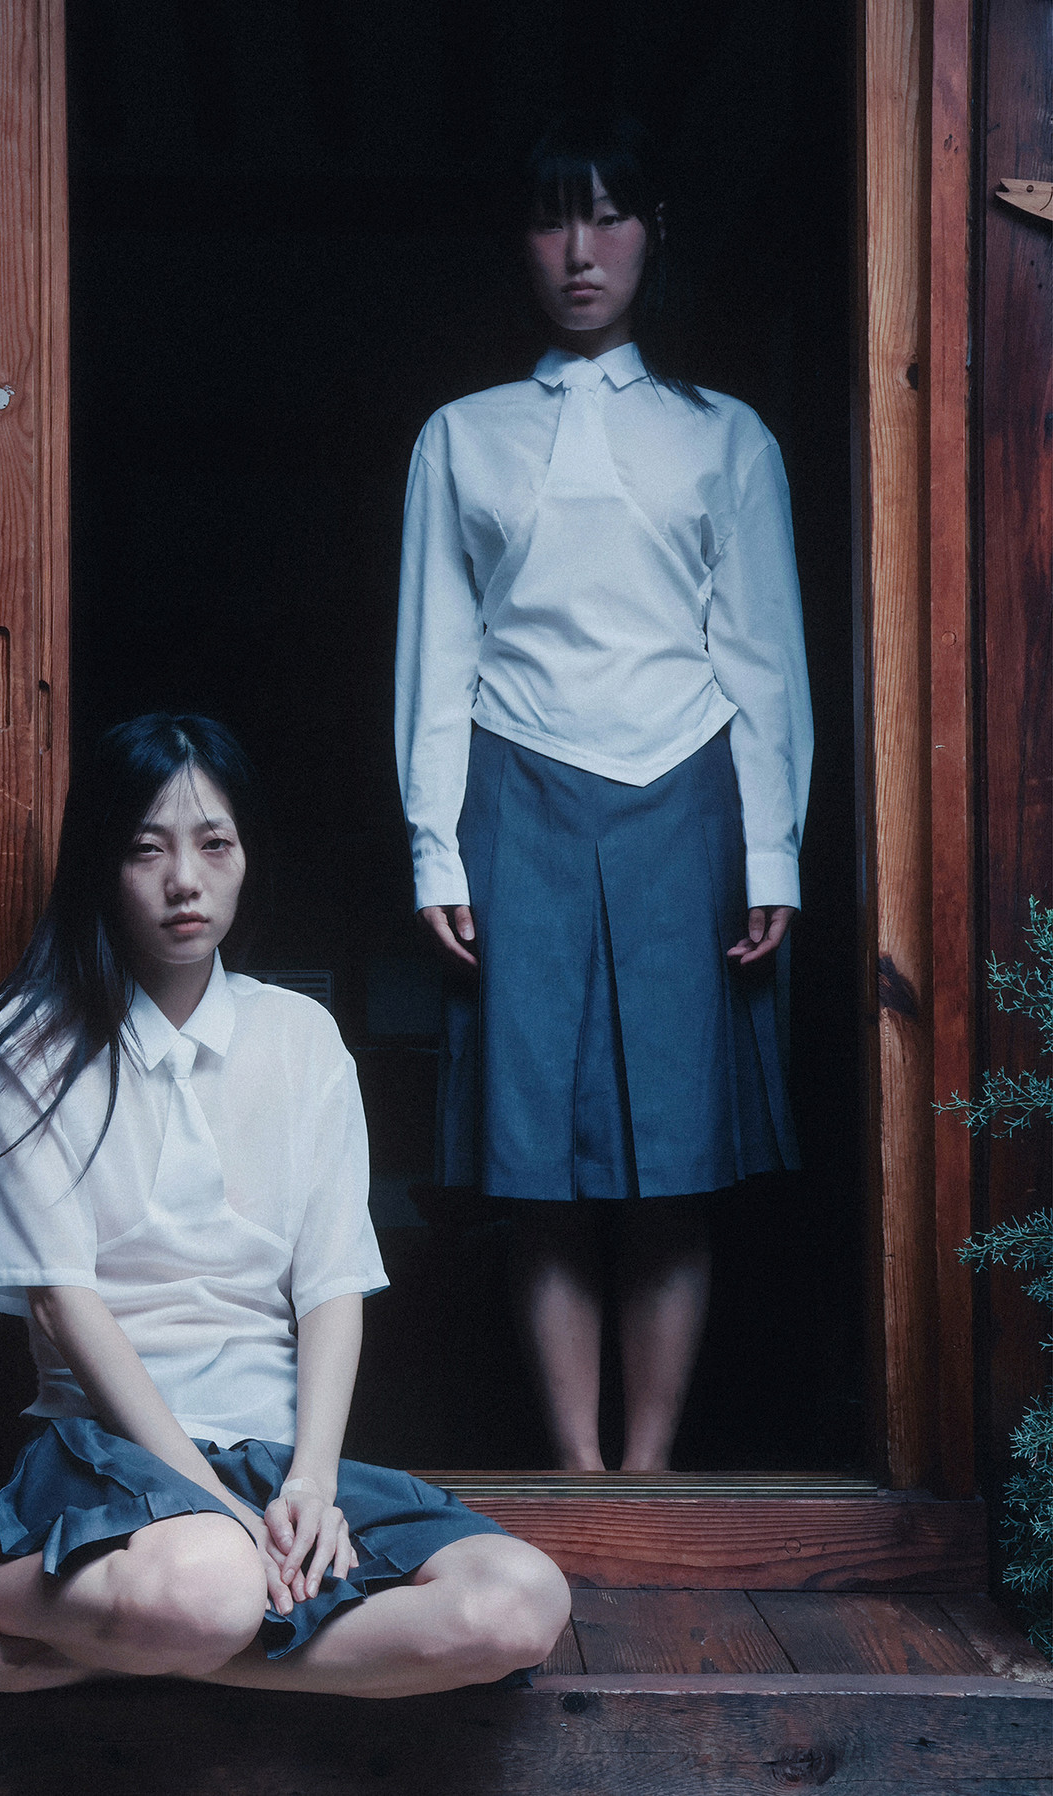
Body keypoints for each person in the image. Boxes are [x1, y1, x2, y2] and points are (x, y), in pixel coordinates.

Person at [0, 714, 569, 1711]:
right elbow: (63, 1303)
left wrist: (309, 1484)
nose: (184, 880)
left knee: (519, 1603)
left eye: (213, 844)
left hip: (272, 1454)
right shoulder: (26, 1040)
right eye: (146, 848)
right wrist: (211, 1501)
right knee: (207, 1582)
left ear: (246, 858)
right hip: (107, 1451)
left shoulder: (302, 1038)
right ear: (101, 865)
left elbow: (330, 1286)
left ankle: (68, 1652)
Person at [395, 115, 812, 1474]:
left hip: (685, 799)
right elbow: (436, 659)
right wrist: (435, 850)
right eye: (550, 218)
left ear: (653, 232)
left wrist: (772, 852)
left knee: (673, 1156)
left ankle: (652, 1474)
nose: (579, 250)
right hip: (514, 797)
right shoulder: (460, 437)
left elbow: (760, 658)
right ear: (518, 243)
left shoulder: (726, 438)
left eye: (608, 215)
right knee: (540, 1162)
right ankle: (578, 1476)